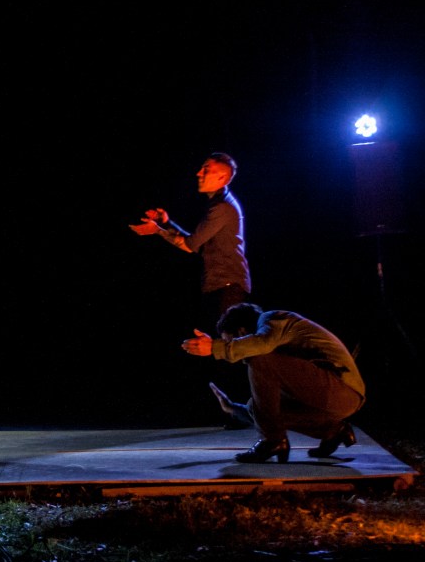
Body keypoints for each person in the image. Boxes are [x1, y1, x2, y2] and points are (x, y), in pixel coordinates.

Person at [130, 152, 253, 427]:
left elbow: (189, 245)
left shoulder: (221, 207)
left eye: (206, 169)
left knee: (227, 350)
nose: (199, 173)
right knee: (220, 349)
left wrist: (158, 230)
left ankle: (241, 413)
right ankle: (234, 412)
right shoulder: (218, 205)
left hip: (228, 286)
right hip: (222, 284)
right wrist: (165, 224)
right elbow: (196, 242)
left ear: (222, 178)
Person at [181, 302, 366, 463]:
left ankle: (272, 441)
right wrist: (233, 409)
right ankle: (334, 431)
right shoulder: (275, 341)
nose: (232, 347)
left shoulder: (273, 318)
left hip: (342, 389)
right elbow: (266, 412)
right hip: (333, 397)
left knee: (259, 358)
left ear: (242, 332)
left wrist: (215, 347)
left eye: (230, 341)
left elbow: (261, 344)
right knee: (256, 406)